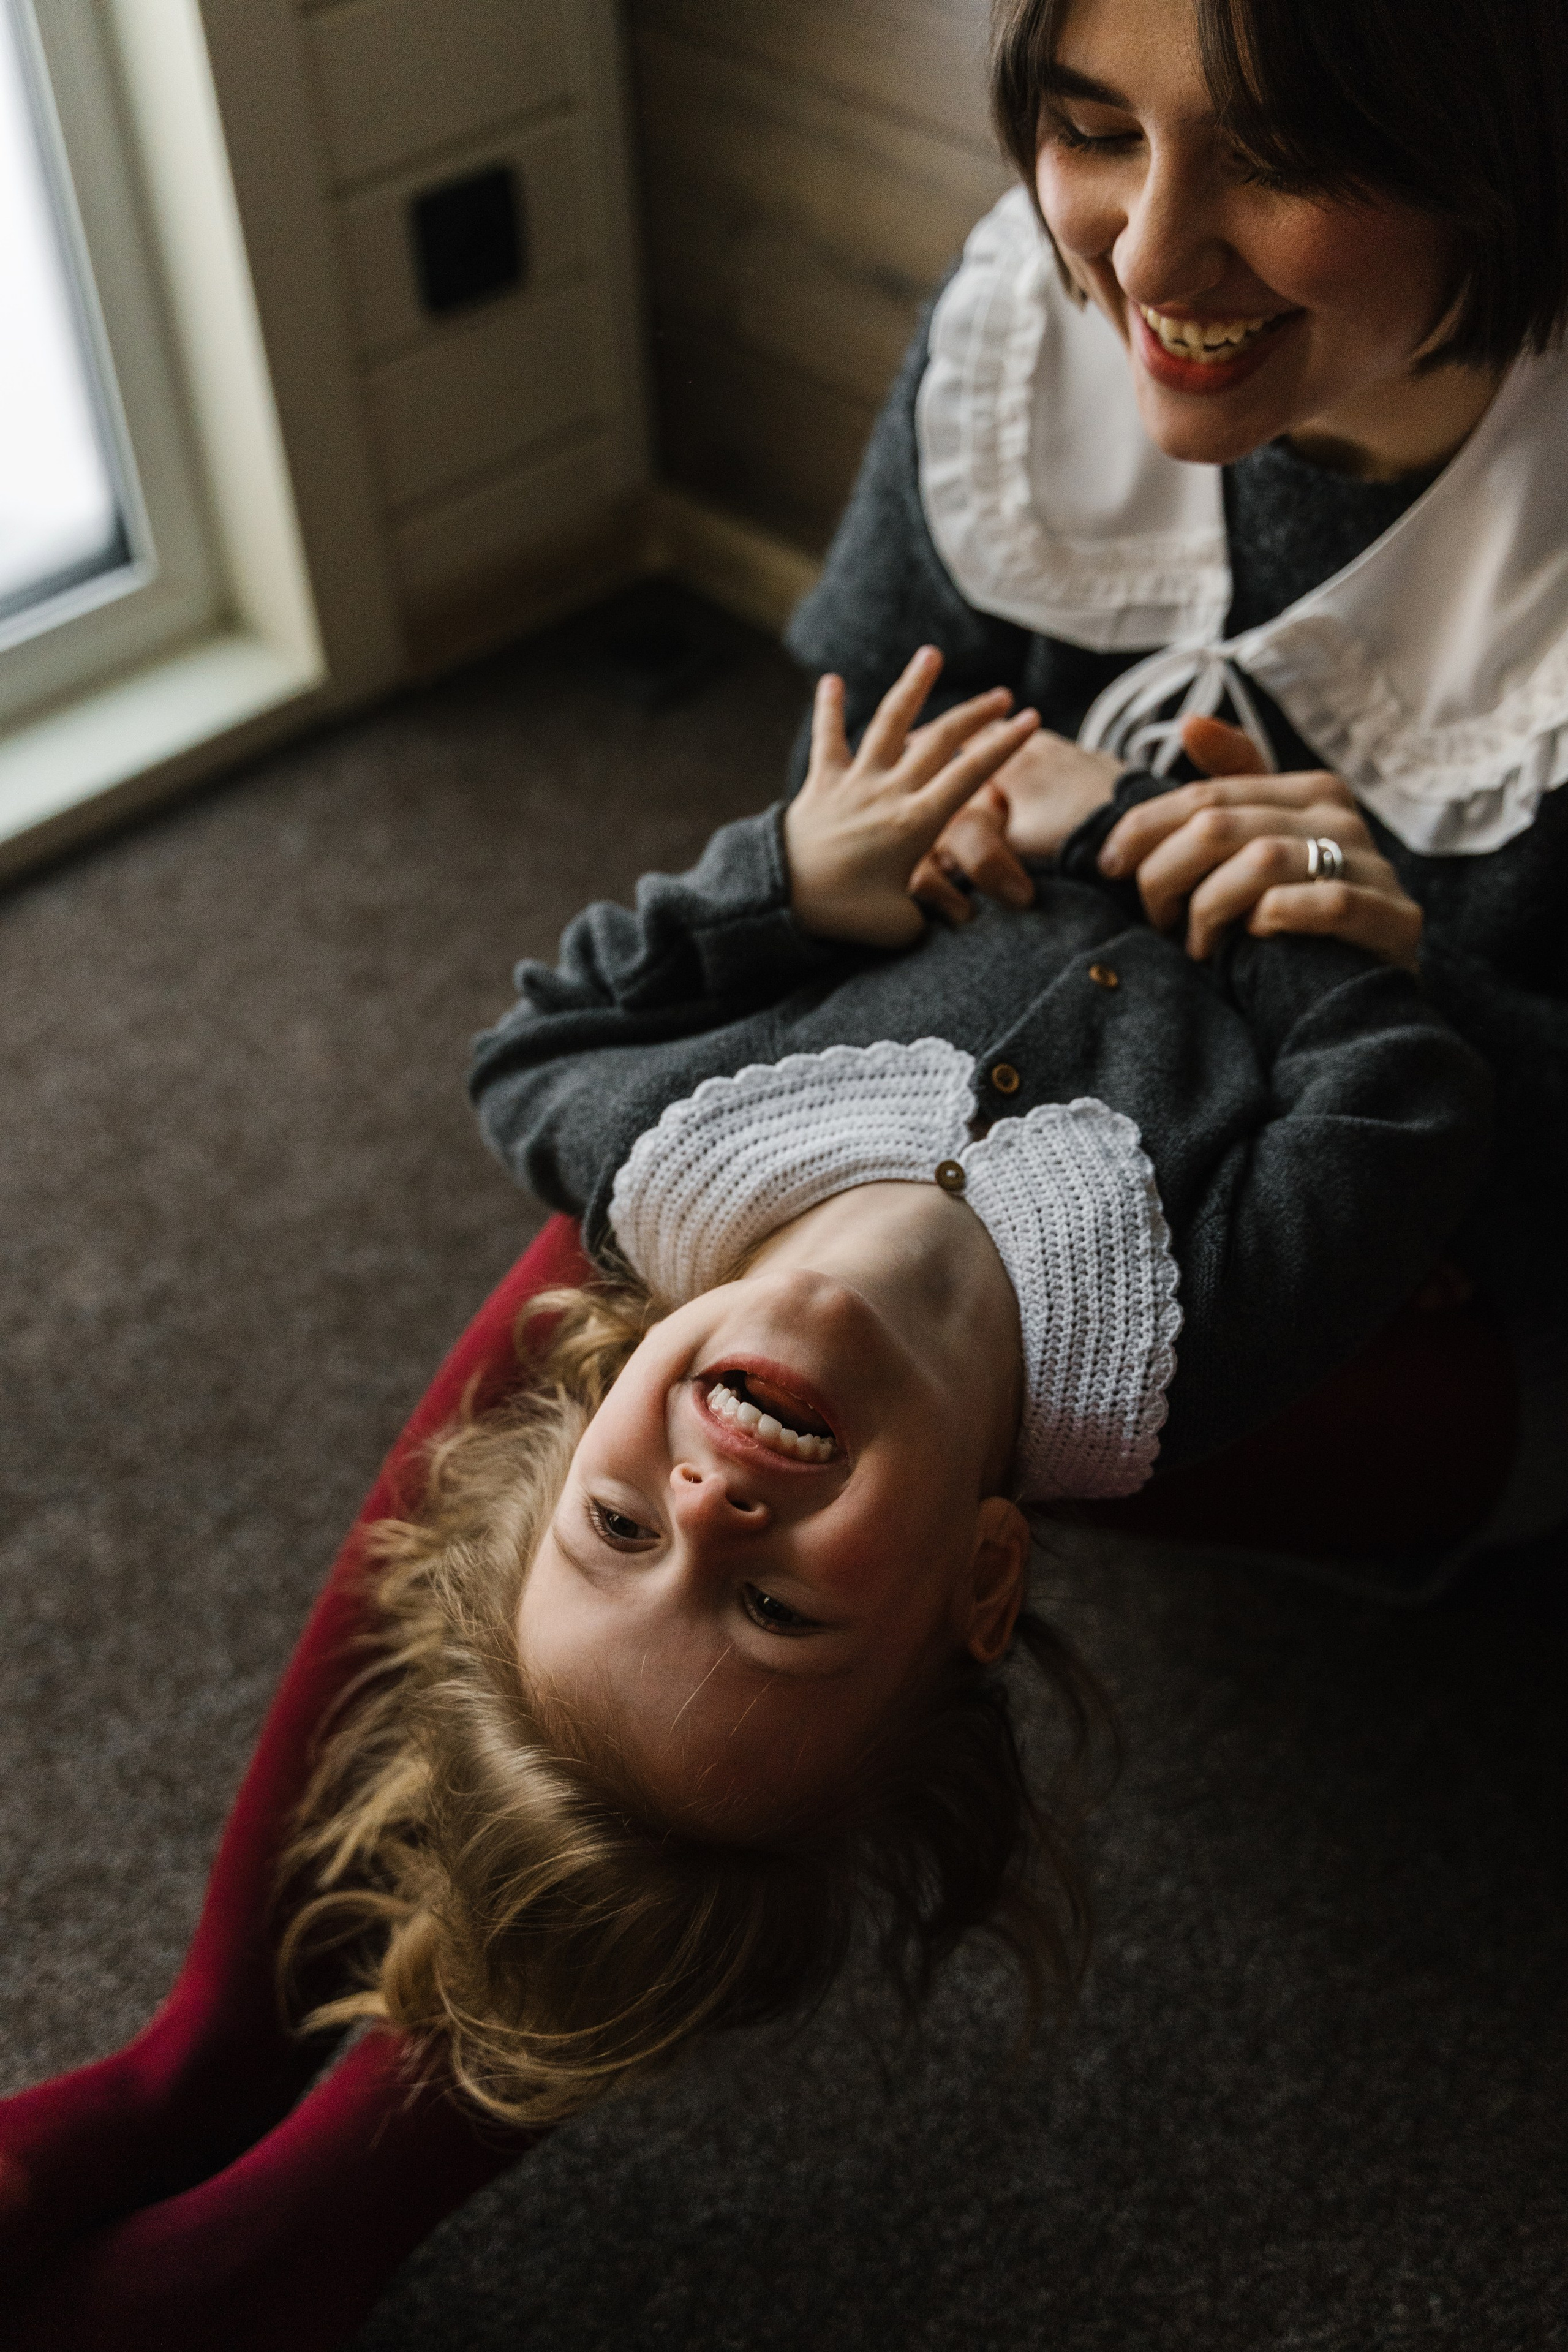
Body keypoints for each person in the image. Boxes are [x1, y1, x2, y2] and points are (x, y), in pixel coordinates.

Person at [2, 649, 1487, 2350]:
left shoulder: (653, 1163)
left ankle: (223, 2110)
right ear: (983, 1586)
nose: (706, 1516)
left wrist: (780, 877)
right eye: (778, 1613)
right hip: (1259, 891)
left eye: (616, 1529)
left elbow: (536, 1036)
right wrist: (1233, 861)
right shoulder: (1188, 1340)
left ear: (570, 1434)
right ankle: (218, 2092)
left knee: (600, 1261)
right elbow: (1404, 1108)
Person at [785, 0, 1568, 1568]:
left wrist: (1406, 987)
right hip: (1058, 1131)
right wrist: (822, 872)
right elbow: (850, 805)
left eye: (1273, 159)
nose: (1142, 260)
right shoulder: (1028, 316)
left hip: (1454, 1300)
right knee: (667, 1207)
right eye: (1089, 133)